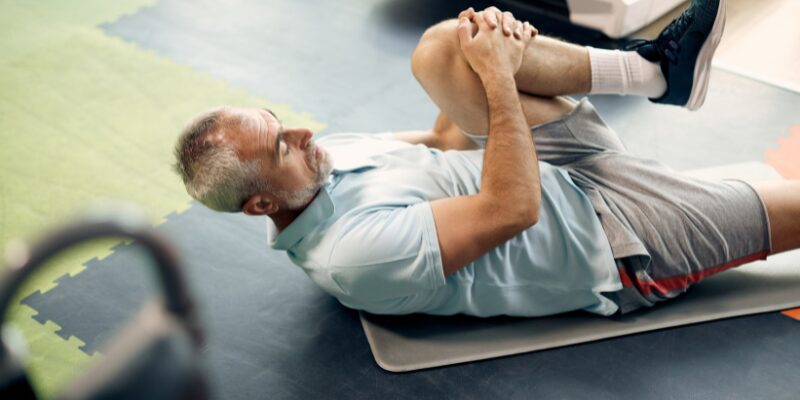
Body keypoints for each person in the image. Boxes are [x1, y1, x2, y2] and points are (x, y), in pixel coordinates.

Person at [173, 0, 800, 317]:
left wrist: (483, 45)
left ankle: (655, 73)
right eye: (283, 144)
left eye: (285, 125)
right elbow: (513, 208)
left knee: (442, 48)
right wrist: (498, 79)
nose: (306, 133)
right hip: (619, 240)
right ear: (260, 202)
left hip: (553, 162)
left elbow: (447, 143)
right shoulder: (355, 256)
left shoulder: (321, 168)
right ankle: (653, 76)